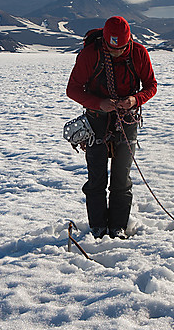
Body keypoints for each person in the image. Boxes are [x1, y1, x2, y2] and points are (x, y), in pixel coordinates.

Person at [66, 16, 157, 239]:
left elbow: (151, 85)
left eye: (122, 48)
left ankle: (118, 226)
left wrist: (135, 100)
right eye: (111, 48)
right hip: (96, 120)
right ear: (104, 41)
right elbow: (73, 89)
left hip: (126, 120)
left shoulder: (138, 53)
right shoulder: (90, 55)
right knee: (96, 177)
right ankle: (97, 227)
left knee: (122, 178)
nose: (116, 53)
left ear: (129, 42)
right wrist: (100, 104)